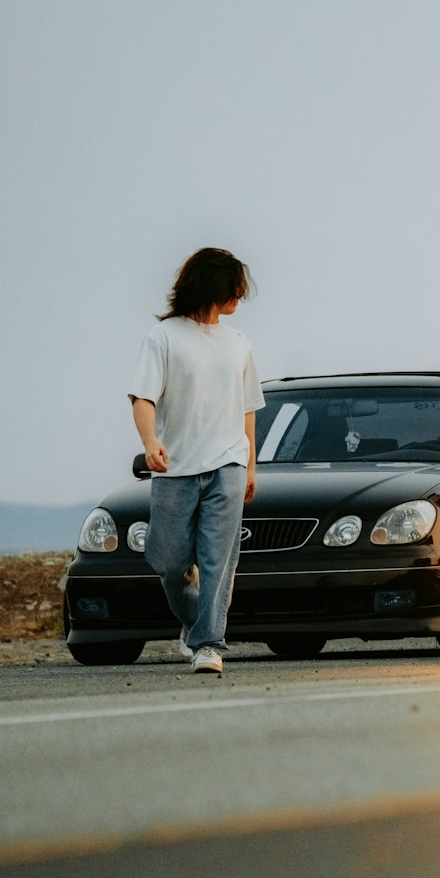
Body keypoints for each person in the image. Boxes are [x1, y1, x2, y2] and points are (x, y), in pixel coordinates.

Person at [128, 248, 264, 675]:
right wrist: (150, 442)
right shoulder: (164, 337)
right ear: (211, 286)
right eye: (234, 288)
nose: (240, 296)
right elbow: (142, 397)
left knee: (218, 561)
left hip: (228, 464)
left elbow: (248, 409)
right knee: (168, 561)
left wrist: (250, 466)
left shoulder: (238, 343)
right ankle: (193, 619)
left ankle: (209, 644)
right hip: (177, 468)